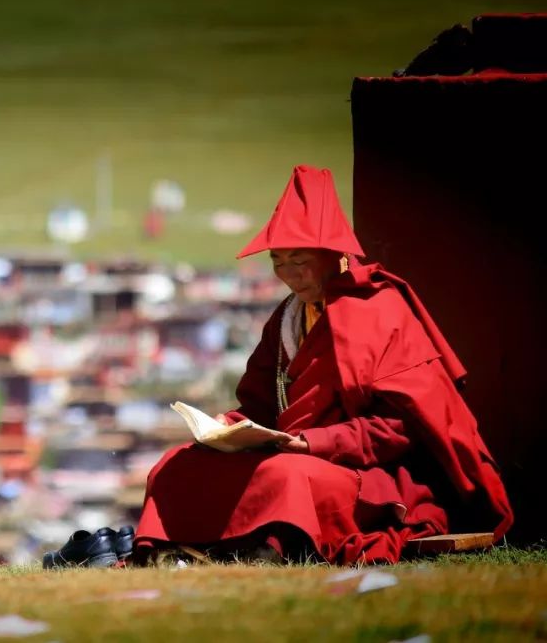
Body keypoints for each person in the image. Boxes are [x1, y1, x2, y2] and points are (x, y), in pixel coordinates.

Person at [133, 165, 513, 564]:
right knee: (176, 464)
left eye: (300, 260)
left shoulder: (378, 312)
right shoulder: (286, 320)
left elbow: (401, 428)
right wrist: (228, 427)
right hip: (290, 454)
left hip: (369, 474)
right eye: (278, 260)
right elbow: (261, 406)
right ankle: (178, 552)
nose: (289, 275)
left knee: (285, 478)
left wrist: (313, 443)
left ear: (333, 254)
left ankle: (258, 551)